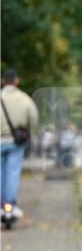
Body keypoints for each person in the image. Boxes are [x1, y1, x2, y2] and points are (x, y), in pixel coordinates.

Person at [1, 69, 39, 221]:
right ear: (16, 81)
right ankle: (9, 206)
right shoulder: (24, 99)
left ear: (3, 81)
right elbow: (34, 118)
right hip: (15, 141)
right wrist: (29, 133)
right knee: (12, 173)